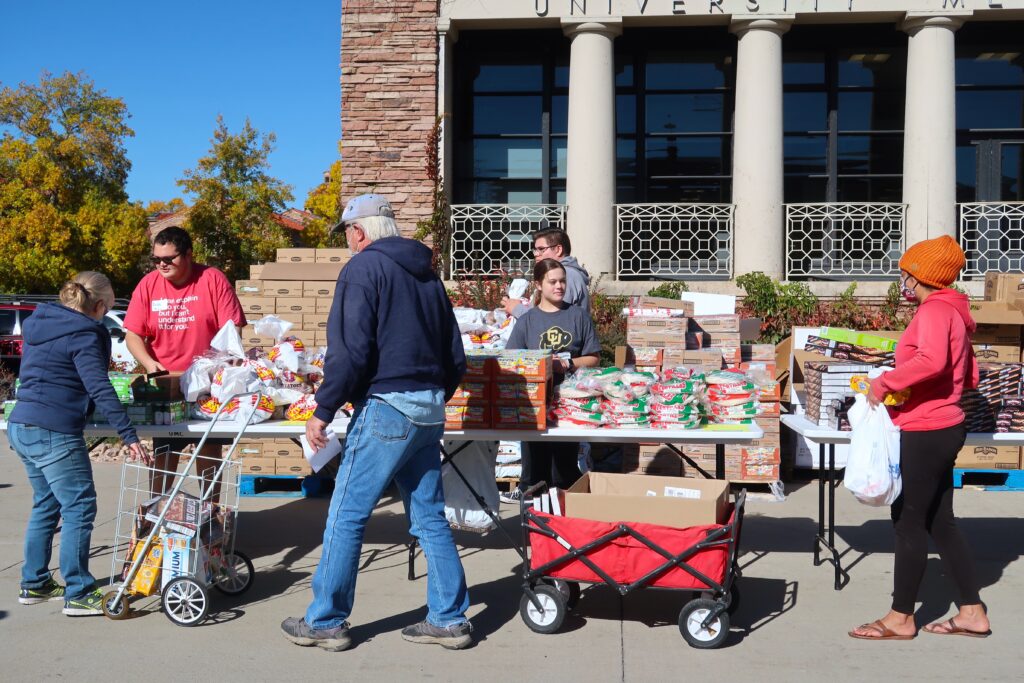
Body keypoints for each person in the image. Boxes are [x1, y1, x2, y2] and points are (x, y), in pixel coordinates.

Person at [281, 193, 473, 652]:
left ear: (359, 231)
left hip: (388, 405)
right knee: (428, 517)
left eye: (347, 233)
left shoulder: (363, 269)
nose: (348, 242)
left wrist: (323, 409)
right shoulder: (427, 275)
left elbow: (350, 350)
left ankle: (326, 620)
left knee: (347, 513)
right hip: (427, 409)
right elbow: (455, 355)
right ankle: (449, 619)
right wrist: (433, 396)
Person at [849, 235, 991, 641]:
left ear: (920, 276)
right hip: (944, 424)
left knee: (907, 521)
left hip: (927, 427)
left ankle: (900, 618)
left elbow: (932, 360)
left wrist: (885, 383)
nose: (902, 282)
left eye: (905, 274)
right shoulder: (956, 311)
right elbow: (970, 375)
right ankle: (972, 612)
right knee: (940, 521)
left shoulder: (933, 311)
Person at [8, 272, 148, 616]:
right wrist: (128, 434)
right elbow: (99, 386)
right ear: (99, 305)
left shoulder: (41, 322)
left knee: (47, 504)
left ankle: (36, 582)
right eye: (111, 305)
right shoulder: (84, 334)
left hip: (22, 423)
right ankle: (79, 591)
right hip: (52, 429)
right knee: (80, 507)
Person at [122, 226, 246, 495]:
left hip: (208, 385)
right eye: (156, 260)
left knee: (209, 449)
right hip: (167, 385)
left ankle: (209, 514)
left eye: (169, 259)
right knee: (165, 451)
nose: (162, 265)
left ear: (189, 254)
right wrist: (149, 363)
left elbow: (232, 327)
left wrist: (225, 363)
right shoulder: (148, 285)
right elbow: (133, 334)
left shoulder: (211, 279)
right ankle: (160, 514)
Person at [501, 258, 601, 504]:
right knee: (535, 474)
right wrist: (537, 364)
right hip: (534, 405)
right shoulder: (527, 321)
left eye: (562, 281)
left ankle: (566, 527)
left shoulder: (578, 316)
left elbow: (594, 357)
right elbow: (511, 359)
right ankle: (535, 527)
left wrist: (566, 363)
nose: (559, 286)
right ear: (538, 284)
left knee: (564, 471)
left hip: (569, 403)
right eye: (552, 281)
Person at [502, 228, 591, 317]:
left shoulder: (567, 275)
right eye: (535, 250)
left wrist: (516, 309)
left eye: (541, 249)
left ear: (558, 250)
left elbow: (552, 319)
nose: (536, 254)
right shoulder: (564, 273)